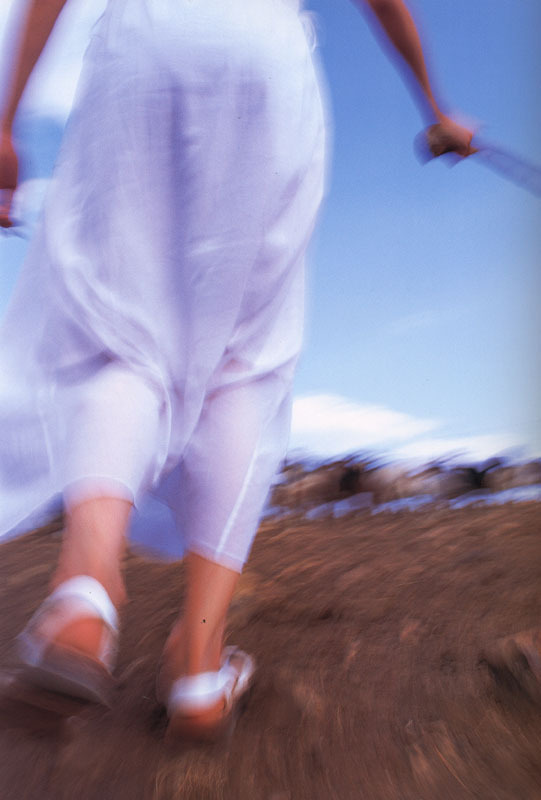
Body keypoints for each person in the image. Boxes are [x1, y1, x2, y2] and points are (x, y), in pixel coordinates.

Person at [0, 0, 475, 741]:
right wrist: (436, 110)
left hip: (143, 46)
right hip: (264, 57)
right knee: (247, 361)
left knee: (117, 328)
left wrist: (6, 122)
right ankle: (198, 666)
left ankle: (84, 594)